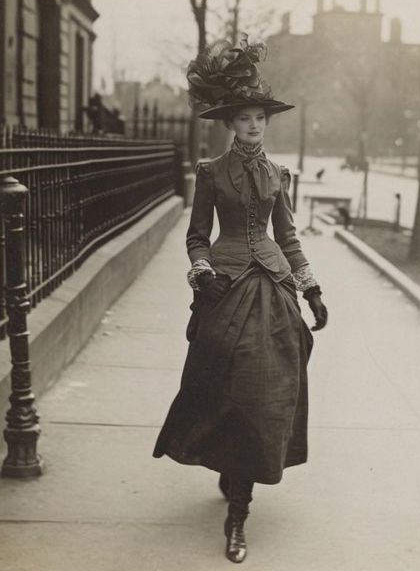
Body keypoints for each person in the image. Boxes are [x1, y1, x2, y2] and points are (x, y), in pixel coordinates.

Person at [153, 37, 328, 564]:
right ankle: (232, 473)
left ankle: (239, 509)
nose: (254, 126)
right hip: (224, 287)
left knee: (268, 389)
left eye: (261, 118)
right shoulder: (210, 173)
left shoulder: (279, 175)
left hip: (273, 288)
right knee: (222, 382)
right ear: (230, 123)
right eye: (245, 118)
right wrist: (201, 271)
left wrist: (311, 286)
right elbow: (195, 237)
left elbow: (289, 236)